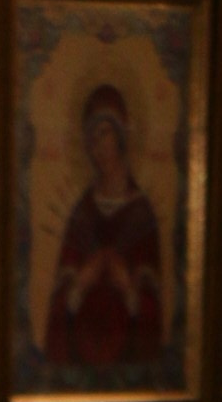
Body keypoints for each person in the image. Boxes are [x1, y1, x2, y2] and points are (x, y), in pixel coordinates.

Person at [43, 85, 165, 378]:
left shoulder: (141, 212)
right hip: (81, 350)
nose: (96, 146)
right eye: (91, 138)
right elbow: (60, 303)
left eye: (104, 133)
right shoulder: (82, 212)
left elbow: (153, 304)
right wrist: (82, 281)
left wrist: (128, 288)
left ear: (121, 137)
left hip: (129, 353)